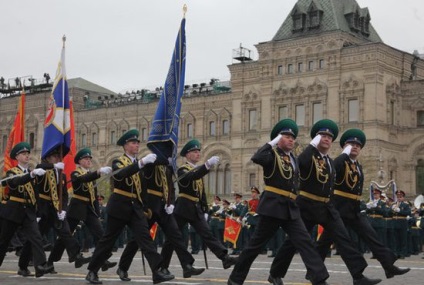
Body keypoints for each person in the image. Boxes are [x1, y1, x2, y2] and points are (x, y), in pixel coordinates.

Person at [269, 119, 381, 285]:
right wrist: (311, 146)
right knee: (292, 242)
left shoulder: (329, 161)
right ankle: (275, 273)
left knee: (343, 238)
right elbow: (300, 164)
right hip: (306, 205)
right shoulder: (308, 156)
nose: (327, 138)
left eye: (330, 136)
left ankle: (358, 276)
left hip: (326, 207)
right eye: (323, 135)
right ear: (316, 139)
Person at [227, 119, 329, 285]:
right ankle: (235, 279)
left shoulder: (294, 159)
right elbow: (257, 157)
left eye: (292, 137)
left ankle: (319, 278)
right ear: (278, 138)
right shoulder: (271, 155)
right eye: (286, 136)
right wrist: (272, 142)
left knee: (305, 242)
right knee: (255, 246)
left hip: (290, 208)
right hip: (273, 207)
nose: (291, 139)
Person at [316, 128, 410, 280]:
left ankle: (388, 266)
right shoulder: (340, 162)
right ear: (344, 147)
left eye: (357, 145)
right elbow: (332, 169)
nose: (355, 146)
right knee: (325, 243)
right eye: (350, 144)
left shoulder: (357, 166)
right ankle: (315, 271)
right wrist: (343, 154)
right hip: (338, 209)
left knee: (371, 236)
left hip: (353, 208)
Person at [85, 129, 174, 284]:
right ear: (125, 146)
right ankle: (92, 271)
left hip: (135, 208)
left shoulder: (138, 165)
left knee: (145, 239)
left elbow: (143, 188)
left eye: (138, 142)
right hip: (119, 206)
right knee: (108, 241)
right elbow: (120, 174)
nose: (137, 145)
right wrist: (141, 163)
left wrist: (146, 207)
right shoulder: (118, 161)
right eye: (133, 143)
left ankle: (157, 270)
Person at [115, 155, 204, 280]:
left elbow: (171, 187)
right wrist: (144, 206)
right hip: (150, 206)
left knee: (175, 235)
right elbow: (145, 179)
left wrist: (171, 202)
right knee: (137, 239)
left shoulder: (168, 167)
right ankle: (123, 268)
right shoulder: (151, 163)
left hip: (164, 205)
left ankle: (187, 265)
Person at [161, 139, 238, 271]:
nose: (198, 154)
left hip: (195, 209)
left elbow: (201, 193)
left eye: (198, 151)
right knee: (172, 238)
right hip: (183, 208)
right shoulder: (182, 170)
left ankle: (224, 258)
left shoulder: (196, 170)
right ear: (187, 155)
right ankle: (163, 267)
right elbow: (192, 177)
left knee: (207, 234)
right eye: (194, 152)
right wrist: (207, 165)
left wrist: (206, 209)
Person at [48, 148, 117, 272]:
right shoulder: (76, 173)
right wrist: (98, 171)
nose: (89, 160)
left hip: (89, 209)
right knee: (65, 237)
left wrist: (97, 212)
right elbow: (82, 180)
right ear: (79, 162)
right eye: (86, 159)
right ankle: (50, 262)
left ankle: (103, 260)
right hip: (76, 208)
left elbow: (94, 196)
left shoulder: (90, 174)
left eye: (90, 158)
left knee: (100, 234)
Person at [32, 147, 91, 272]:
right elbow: (38, 166)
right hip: (43, 208)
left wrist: (63, 209)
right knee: (37, 236)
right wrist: (52, 166)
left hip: (56, 208)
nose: (58, 159)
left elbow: (64, 195)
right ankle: (23, 263)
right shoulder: (43, 170)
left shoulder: (62, 175)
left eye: (59, 157)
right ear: (48, 158)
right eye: (55, 156)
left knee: (65, 232)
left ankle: (76, 255)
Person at [0, 142, 53, 277]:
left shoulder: (32, 173)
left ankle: (40, 265)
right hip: (14, 210)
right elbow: (15, 182)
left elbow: (35, 193)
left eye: (28, 153)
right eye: (23, 154)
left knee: (36, 237)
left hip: (28, 211)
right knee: (4, 241)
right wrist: (31, 175)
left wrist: (38, 211)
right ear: (17, 157)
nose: (27, 156)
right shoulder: (11, 172)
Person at [392, 190, 411, 259]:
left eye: (400, 197)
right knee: (396, 239)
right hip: (395, 223)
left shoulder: (406, 204)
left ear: (403, 197)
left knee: (403, 239)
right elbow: (389, 214)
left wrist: (400, 210)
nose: (399, 198)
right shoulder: (394, 204)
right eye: (398, 196)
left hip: (402, 223)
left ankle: (402, 253)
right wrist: (391, 210)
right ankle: (397, 253)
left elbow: (408, 212)